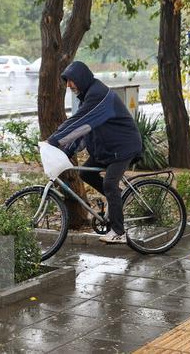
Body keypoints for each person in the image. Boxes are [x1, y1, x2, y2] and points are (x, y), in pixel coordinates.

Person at [46, 61, 142, 244]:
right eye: (66, 82)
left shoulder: (98, 94)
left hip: (123, 147)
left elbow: (79, 121)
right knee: (85, 173)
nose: (68, 86)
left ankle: (118, 232)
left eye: (71, 81)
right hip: (107, 149)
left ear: (81, 78)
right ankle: (117, 200)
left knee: (109, 183)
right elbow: (84, 131)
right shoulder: (87, 96)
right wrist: (66, 151)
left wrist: (53, 140)